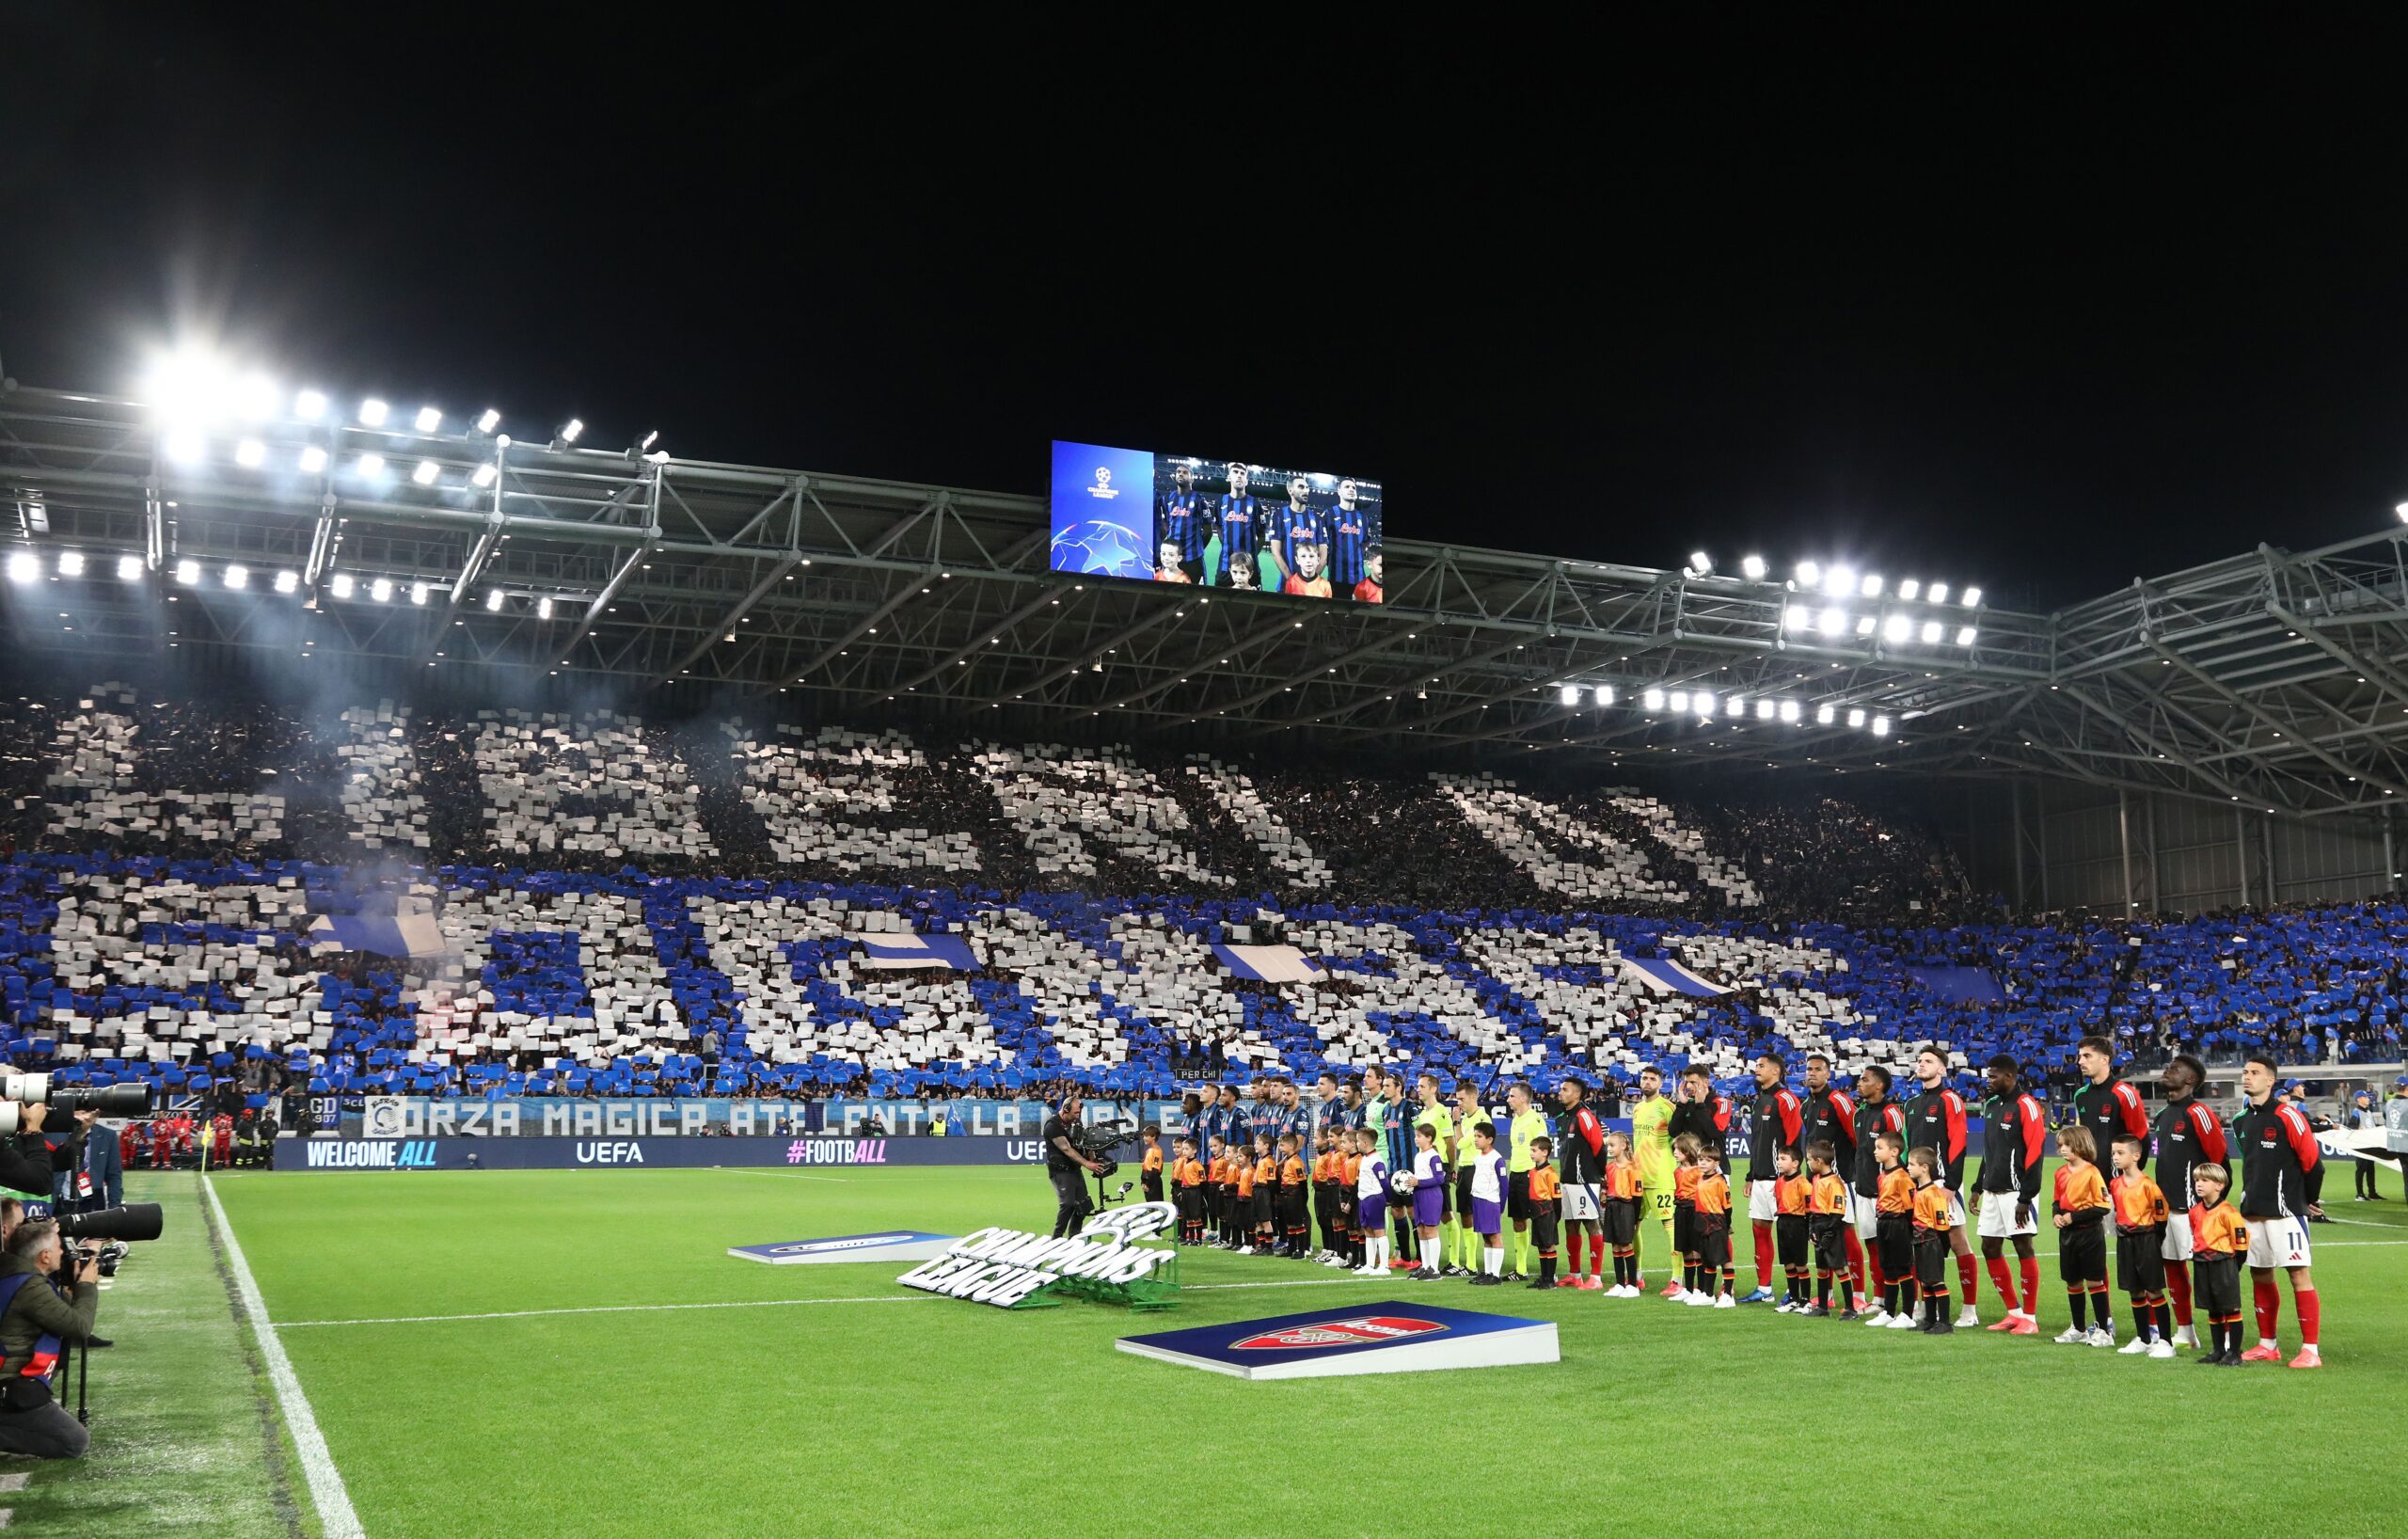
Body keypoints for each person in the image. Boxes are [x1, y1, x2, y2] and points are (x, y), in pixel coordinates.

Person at [2232, 1053, 2321, 1368]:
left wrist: (2308, 1201)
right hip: (2252, 1212)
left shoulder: (2287, 1116)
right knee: (2260, 1275)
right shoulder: (2240, 1120)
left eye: (2254, 1072)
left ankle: (2311, 1350)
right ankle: (2268, 1344)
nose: (2247, 1077)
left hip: (2286, 1213)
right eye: (2245, 1072)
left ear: (2270, 1080)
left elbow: (2313, 1163)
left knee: (2298, 1274)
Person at [0, 1219, 99, 1459]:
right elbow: (79, 1326)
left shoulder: (14, 1274)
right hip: (10, 1389)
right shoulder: (30, 1288)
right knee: (73, 1441)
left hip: (10, 1382)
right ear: (44, 1256)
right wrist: (86, 1286)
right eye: (59, 1247)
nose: (63, 1252)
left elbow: (59, 1314)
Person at [2152, 1054, 2228, 1348]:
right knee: (2172, 1267)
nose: (2168, 1070)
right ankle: (2186, 1332)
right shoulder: (2163, 1115)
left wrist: (2213, 1206)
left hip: (2194, 1210)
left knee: (2208, 1273)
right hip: (2167, 1210)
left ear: (2190, 1080)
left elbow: (2219, 1160)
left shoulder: (2199, 1113)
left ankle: (2222, 1339)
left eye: (2176, 1069)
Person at [1901, 1046, 1980, 1325]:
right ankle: (1924, 1307)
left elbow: (1958, 1142)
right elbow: (1907, 1149)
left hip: (1943, 1186)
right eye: (1920, 1060)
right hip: (1918, 1189)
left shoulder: (1950, 1100)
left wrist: (1952, 1184)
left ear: (1942, 1069)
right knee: (1920, 1246)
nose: (1921, 1065)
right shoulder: (1910, 1104)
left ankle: (1969, 1310)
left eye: (1928, 1061)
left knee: (1958, 1243)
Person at [2072, 1035, 2152, 1299]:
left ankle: (2150, 1325)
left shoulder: (2123, 1094)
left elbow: (2140, 1138)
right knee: (2093, 1255)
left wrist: (2131, 1181)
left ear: (2105, 1060)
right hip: (2090, 1187)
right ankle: (2104, 1320)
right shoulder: (2081, 1096)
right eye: (2080, 1056)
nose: (2080, 1061)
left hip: (2121, 1187)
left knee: (2134, 1254)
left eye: (2087, 1056)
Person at [1973, 1055, 2046, 1336]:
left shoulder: (2026, 1106)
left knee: (2022, 1246)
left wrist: (2026, 1197)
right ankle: (2013, 1312)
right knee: (1989, 1247)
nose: (1988, 1081)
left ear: (2010, 1077)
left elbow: (2036, 1152)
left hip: (2017, 1191)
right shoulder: (1992, 1106)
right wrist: (1977, 1187)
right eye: (1988, 1076)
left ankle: (2030, 1317)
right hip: (1992, 1190)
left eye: (1993, 1076)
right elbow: (1989, 1151)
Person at [1799, 1055, 1866, 1308]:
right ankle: (1825, 1295)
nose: (1812, 1073)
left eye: (1818, 1069)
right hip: (1817, 1182)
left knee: (1846, 1233)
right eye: (1809, 1069)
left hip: (1842, 1180)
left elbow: (1856, 1137)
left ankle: (1858, 1295)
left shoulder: (1839, 1100)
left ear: (1828, 1074)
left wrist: (1854, 1173)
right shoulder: (1807, 1105)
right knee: (1819, 1234)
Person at [1743, 1052, 1803, 1304]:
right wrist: (1750, 1175)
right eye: (1756, 1065)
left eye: (1762, 1065)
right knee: (1760, 1231)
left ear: (1776, 1071)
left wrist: (1790, 1177)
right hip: (1759, 1179)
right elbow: (1756, 1142)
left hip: (1780, 1180)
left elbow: (1794, 1138)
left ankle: (1795, 1289)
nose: (1756, 1068)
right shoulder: (1760, 1100)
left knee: (1788, 1235)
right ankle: (1764, 1289)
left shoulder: (1786, 1099)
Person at [1851, 1066, 1907, 1320]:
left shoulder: (1890, 1113)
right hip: (1863, 1190)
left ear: (1879, 1086)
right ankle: (1880, 1299)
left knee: (1896, 1251)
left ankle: (1909, 1303)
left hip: (1886, 1195)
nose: (1859, 1083)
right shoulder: (1860, 1113)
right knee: (1873, 1247)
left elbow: (1899, 1151)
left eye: (1865, 1080)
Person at [2110, 1134, 2173, 1357]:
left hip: (2146, 1239)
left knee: (2154, 1289)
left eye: (2120, 1153)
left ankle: (2165, 1341)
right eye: (2114, 1153)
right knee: (2134, 1290)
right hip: (2125, 1240)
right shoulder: (2115, 1184)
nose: (2115, 1158)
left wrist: (2153, 1239)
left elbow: (2161, 1216)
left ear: (2136, 1156)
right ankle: (2143, 1338)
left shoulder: (2148, 1185)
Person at [2051, 1125, 2114, 1347]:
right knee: (2072, 1280)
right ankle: (2077, 1328)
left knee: (2095, 1280)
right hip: (2068, 1235)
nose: (2062, 1150)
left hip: (2089, 1233)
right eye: (2060, 1146)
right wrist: (2057, 1215)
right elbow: (2057, 1201)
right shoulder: (2060, 1173)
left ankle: (2104, 1331)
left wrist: (2073, 1217)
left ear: (2080, 1145)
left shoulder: (2092, 1173)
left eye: (2067, 1145)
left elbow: (2102, 1206)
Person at [2187, 1164, 2248, 1365]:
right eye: (2197, 1180)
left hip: (2223, 1263)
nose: (2199, 1184)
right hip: (2202, 1262)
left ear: (2219, 1185)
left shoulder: (2228, 1212)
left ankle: (2235, 1353)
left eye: (2205, 1180)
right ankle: (2218, 1350)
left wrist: (2232, 1266)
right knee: (2212, 1308)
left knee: (2230, 1308)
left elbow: (2240, 1244)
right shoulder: (2195, 1211)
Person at [1553, 1076, 1607, 1291]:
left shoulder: (1584, 1116)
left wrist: (1599, 1174)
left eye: (1565, 1089)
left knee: (1592, 1224)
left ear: (1576, 1094)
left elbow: (1598, 1146)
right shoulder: (1561, 1118)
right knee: (1570, 1225)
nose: (1560, 1092)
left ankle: (1596, 1277)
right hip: (1567, 1180)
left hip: (1585, 1180)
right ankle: (1575, 1275)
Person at [1638, 1067, 1687, 1293]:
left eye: (1652, 1079)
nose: (1647, 1082)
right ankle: (1636, 1275)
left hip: (1661, 1176)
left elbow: (1681, 1137)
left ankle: (1677, 1279)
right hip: (1637, 1177)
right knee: (1631, 1227)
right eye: (1644, 1078)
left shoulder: (1667, 1107)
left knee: (1671, 1228)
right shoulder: (1638, 1108)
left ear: (1660, 1083)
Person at [1501, 1082, 1548, 1281]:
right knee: (1518, 1221)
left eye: (1512, 1096)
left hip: (1531, 1175)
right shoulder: (1515, 1119)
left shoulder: (1535, 1120)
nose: (1508, 1099)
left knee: (1539, 1221)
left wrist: (1537, 1176)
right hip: (1516, 1175)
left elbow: (1544, 1150)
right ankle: (1521, 1270)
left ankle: (1548, 1268)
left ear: (1522, 1098)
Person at [1871, 1133, 1918, 1328]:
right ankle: (1889, 1311)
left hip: (1898, 1224)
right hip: (1883, 1223)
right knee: (1888, 1267)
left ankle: (1907, 1314)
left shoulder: (1903, 1177)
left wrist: (1908, 1231)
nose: (1875, 1151)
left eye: (1879, 1147)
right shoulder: (1882, 1175)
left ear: (1894, 1152)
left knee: (1902, 1268)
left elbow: (1909, 1208)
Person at [1909, 1148, 1957, 1335]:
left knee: (1936, 1281)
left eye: (1912, 1164)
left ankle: (1944, 1322)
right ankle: (1929, 1319)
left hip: (1931, 1241)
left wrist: (1942, 1248)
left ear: (1925, 1168)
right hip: (1920, 1241)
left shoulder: (1934, 1193)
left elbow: (1942, 1225)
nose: (1908, 1168)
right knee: (1925, 1281)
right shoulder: (1918, 1190)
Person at [1042, 1094, 1104, 1239]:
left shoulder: (1076, 1123)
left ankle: (1074, 1236)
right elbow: (1066, 1149)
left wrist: (1093, 1157)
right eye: (1075, 1112)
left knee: (1083, 1205)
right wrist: (1088, 1163)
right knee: (1068, 1204)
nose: (1078, 1116)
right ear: (1065, 1109)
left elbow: (1085, 1142)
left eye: (1079, 1113)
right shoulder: (1052, 1126)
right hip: (1060, 1171)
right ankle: (1056, 1238)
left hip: (1075, 1169)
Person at [1803, 1141, 1853, 1319]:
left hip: (1831, 1227)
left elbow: (1838, 1214)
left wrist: (1828, 1236)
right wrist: (1812, 1230)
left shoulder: (1835, 1183)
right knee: (1822, 1269)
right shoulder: (1816, 1179)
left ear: (1819, 1161)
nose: (1807, 1163)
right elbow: (1813, 1207)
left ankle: (1850, 1308)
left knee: (1839, 1268)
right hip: (1818, 1225)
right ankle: (1823, 1307)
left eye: (1809, 1160)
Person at [1447, 1082, 1490, 1277]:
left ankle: (1473, 1264)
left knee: (1473, 1215)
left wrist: (1456, 1122)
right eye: (1458, 1099)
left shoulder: (1481, 1118)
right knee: (1465, 1213)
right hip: (1465, 1168)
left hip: (1476, 1168)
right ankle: (1470, 1264)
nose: (1459, 1103)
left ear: (1474, 1097)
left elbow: (1462, 1143)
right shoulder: (1468, 1118)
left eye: (1462, 1099)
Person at [1690, 1143, 1735, 1308]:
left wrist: (1727, 1225)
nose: (1702, 1163)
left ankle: (1728, 1295)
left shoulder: (1719, 1181)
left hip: (1716, 1223)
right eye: (1701, 1159)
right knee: (1708, 1259)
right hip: (1702, 1222)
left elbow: (1728, 1206)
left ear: (1716, 1164)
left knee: (1724, 1258)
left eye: (1707, 1160)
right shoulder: (1700, 1178)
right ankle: (1708, 1294)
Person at [1466, 1122, 1509, 1285]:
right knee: (1486, 1236)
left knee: (1494, 1236)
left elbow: (1504, 1184)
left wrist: (1501, 1206)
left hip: (1490, 1201)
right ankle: (1488, 1272)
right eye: (1475, 1136)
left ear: (1489, 1139)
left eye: (1479, 1137)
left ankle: (1496, 1276)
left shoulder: (1497, 1159)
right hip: (1478, 1198)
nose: (1476, 1139)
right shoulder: (1477, 1158)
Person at [1602, 1131, 1642, 1297]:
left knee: (1626, 1244)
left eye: (1612, 1145)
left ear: (1623, 1146)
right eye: (1608, 1146)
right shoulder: (1609, 1167)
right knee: (1615, 1245)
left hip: (1626, 1207)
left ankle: (1632, 1285)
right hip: (1611, 1206)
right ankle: (1620, 1283)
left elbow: (1638, 1196)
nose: (1609, 1149)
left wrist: (1635, 1217)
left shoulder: (1632, 1169)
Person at [1772, 1147, 1811, 1310]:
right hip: (1783, 1222)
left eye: (1783, 1159)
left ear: (1795, 1163)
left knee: (1800, 1264)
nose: (1778, 1162)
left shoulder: (1803, 1183)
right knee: (1788, 1263)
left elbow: (1809, 1208)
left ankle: (1805, 1300)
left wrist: (1809, 1229)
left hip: (1798, 1223)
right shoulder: (1779, 1181)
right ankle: (1793, 1298)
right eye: (1778, 1158)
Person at [1352, 1127, 1393, 1277]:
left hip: (1374, 1198)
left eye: (1357, 1141)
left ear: (1364, 1142)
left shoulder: (1376, 1159)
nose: (1356, 1144)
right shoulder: (1366, 1158)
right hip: (1364, 1198)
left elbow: (1384, 1181)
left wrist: (1389, 1198)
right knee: (1368, 1231)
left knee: (1379, 1231)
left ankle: (1384, 1265)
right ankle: (1369, 1264)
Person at [1407, 1123, 1446, 1279]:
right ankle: (1425, 1266)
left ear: (1429, 1138)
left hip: (1431, 1195)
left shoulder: (1433, 1156)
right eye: (1416, 1136)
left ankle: (1434, 1270)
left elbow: (1440, 1178)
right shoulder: (1418, 1155)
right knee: (1421, 1230)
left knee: (1430, 1230)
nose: (1416, 1139)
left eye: (1419, 1136)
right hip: (1419, 1195)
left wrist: (1419, 1183)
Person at [1213, 464, 1261, 588]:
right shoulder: (1220, 502)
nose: (1239, 475)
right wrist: (1225, 543)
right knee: (1219, 602)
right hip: (1225, 565)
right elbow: (1218, 526)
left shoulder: (1255, 504)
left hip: (1250, 567)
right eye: (1235, 472)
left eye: (1242, 473)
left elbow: (1261, 535)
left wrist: (1251, 556)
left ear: (1247, 480)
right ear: (1229, 476)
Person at [1527, 1137, 1563, 1291]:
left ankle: (1550, 1279)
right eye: (1531, 1150)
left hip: (1547, 1212)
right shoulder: (1533, 1171)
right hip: (1536, 1212)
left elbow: (1557, 1198)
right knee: (1541, 1245)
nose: (1531, 1153)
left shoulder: (1550, 1173)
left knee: (1549, 1245)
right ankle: (1544, 1277)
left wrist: (1556, 1216)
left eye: (1534, 1150)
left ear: (1545, 1152)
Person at [1325, 480, 1371, 598]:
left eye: (1353, 487)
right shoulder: (1329, 514)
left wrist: (1356, 554)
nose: (1351, 489)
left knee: (1357, 614)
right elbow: (1322, 543)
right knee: (1336, 611)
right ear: (1339, 491)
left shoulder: (1363, 517)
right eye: (1347, 487)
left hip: (1359, 578)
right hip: (1337, 577)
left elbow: (1366, 541)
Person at [1277, 1133, 1311, 1259]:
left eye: (1282, 1145)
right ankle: (1291, 1248)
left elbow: (1302, 1183)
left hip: (1294, 1195)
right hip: (1286, 1194)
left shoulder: (1296, 1162)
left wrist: (1303, 1200)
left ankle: (1301, 1251)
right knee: (1290, 1223)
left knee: (1298, 1223)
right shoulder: (1288, 1160)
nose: (1280, 1148)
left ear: (1291, 1146)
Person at [1171, 1136, 1207, 1245]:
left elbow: (1202, 1181)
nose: (1184, 1151)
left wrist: (1199, 1195)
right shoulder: (1185, 1162)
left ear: (1194, 1151)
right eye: (1184, 1149)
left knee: (1196, 1215)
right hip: (1185, 1190)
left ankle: (1198, 1239)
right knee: (1188, 1216)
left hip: (1194, 1191)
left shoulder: (1197, 1165)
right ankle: (1191, 1239)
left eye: (1186, 1149)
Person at [1138, 1125, 1164, 1206]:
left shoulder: (1157, 1151)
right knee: (1150, 1206)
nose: (1144, 1138)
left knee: (1156, 1206)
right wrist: (1143, 1182)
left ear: (1153, 1137)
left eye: (1146, 1136)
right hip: (1148, 1181)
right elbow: (1145, 1168)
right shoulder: (1149, 1150)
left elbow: (1155, 1171)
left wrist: (1148, 1184)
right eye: (1144, 1136)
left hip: (1153, 1182)